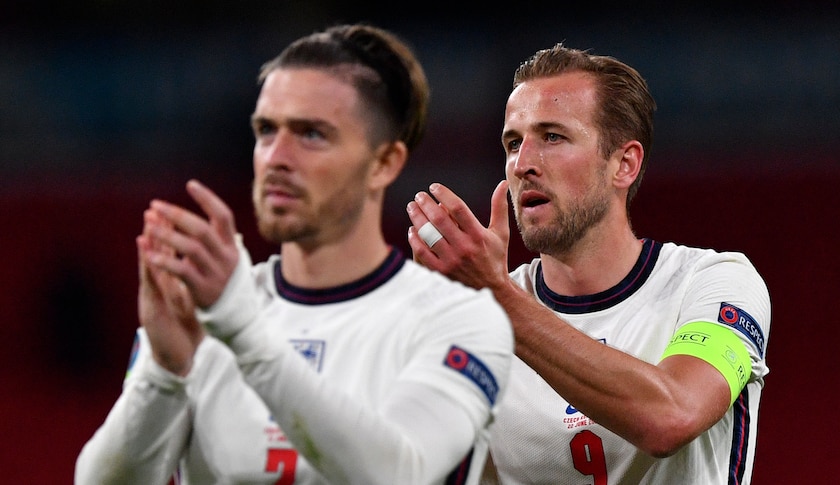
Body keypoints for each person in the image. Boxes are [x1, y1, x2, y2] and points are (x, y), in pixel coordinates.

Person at [75, 23, 514, 485]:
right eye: (266, 131)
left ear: (384, 164)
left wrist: (244, 334)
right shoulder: (202, 318)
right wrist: (165, 372)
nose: (277, 157)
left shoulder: (458, 320)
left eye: (311, 134)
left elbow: (399, 472)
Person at [406, 44, 770, 484]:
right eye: (513, 143)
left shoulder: (712, 282)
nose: (522, 165)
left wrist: (496, 301)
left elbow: (672, 416)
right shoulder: (475, 311)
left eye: (552, 137)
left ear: (624, 164)